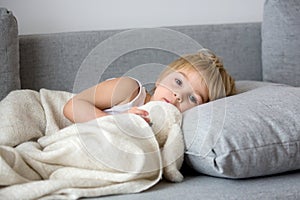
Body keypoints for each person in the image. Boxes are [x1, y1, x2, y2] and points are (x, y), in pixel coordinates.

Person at [63, 48, 236, 123]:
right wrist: (117, 121)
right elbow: (72, 106)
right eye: (178, 81)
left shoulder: (171, 127)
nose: (178, 95)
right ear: (163, 77)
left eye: (192, 98)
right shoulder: (129, 90)